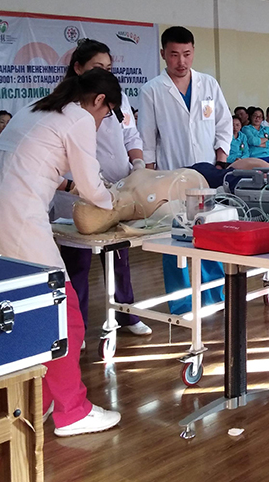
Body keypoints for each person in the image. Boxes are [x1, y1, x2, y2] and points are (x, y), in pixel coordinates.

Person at [0, 68, 125, 436]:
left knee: (18, 313)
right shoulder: (79, 119)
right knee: (64, 314)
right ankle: (73, 411)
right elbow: (92, 186)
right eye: (106, 114)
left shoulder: (35, 109)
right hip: (18, 220)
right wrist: (115, 202)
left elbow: (35, 163)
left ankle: (38, 400)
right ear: (100, 100)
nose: (102, 121)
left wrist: (71, 186)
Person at [55, 38, 151, 337]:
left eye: (109, 68)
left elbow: (131, 136)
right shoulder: (65, 105)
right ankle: (78, 328)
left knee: (120, 256)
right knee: (78, 263)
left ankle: (126, 314)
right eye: (98, 67)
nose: (105, 73)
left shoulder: (117, 99)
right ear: (78, 68)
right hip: (78, 192)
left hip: (117, 187)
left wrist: (137, 164)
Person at [136, 26, 231, 314]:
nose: (181, 61)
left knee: (211, 234)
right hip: (172, 177)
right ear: (163, 54)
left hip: (206, 175)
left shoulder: (208, 84)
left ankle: (215, 297)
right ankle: (181, 304)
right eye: (174, 55)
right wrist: (150, 178)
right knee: (174, 241)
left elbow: (223, 124)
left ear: (193, 52)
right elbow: (147, 138)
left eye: (187, 54)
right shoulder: (152, 90)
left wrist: (220, 162)